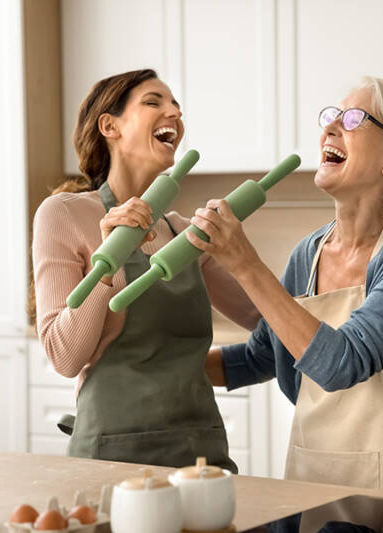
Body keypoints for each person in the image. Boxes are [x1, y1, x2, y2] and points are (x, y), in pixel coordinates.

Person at [191, 77, 383, 499]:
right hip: (320, 471)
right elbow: (261, 357)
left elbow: (342, 364)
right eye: (331, 115)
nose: (330, 127)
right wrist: (158, 370)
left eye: (353, 119)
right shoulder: (307, 253)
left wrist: (243, 262)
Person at [31, 69, 260, 471]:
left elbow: (265, 318)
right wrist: (110, 257)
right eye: (154, 102)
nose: (173, 112)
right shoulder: (64, 214)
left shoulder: (183, 232)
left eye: (177, 106)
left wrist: (239, 252)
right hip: (113, 458)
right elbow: (65, 357)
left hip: (202, 455)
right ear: (110, 126)